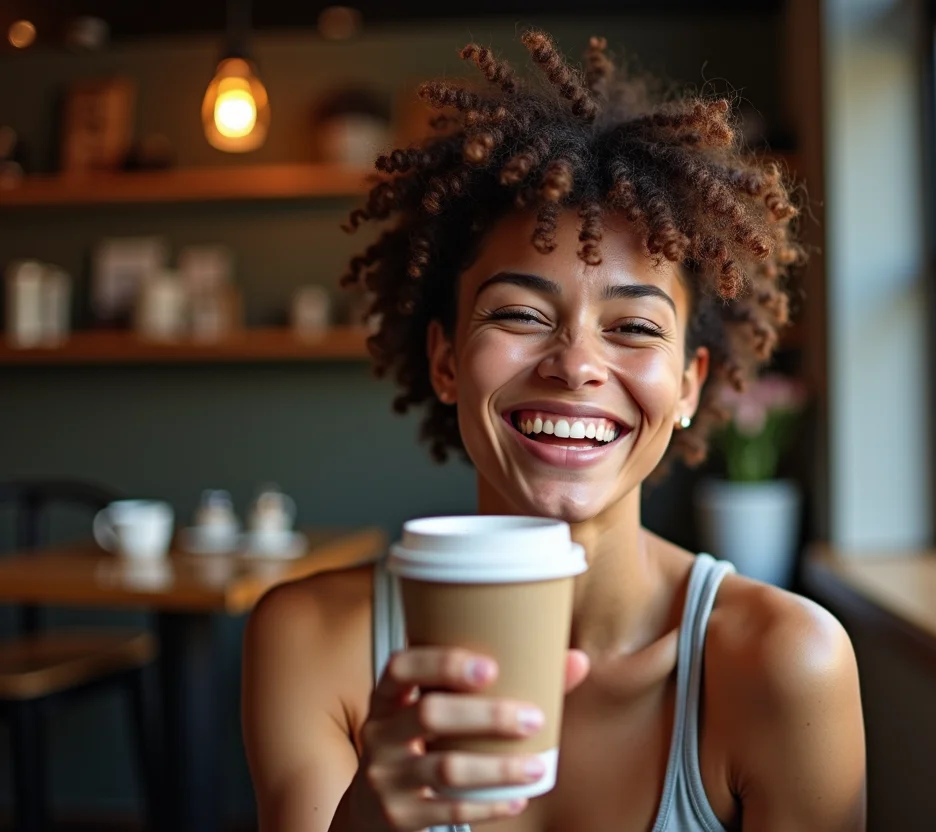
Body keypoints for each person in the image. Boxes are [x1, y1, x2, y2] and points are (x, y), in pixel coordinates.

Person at [242, 30, 866, 832]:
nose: (575, 365)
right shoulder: (311, 643)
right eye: (520, 315)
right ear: (444, 361)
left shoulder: (786, 664)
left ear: (687, 385)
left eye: (633, 328)